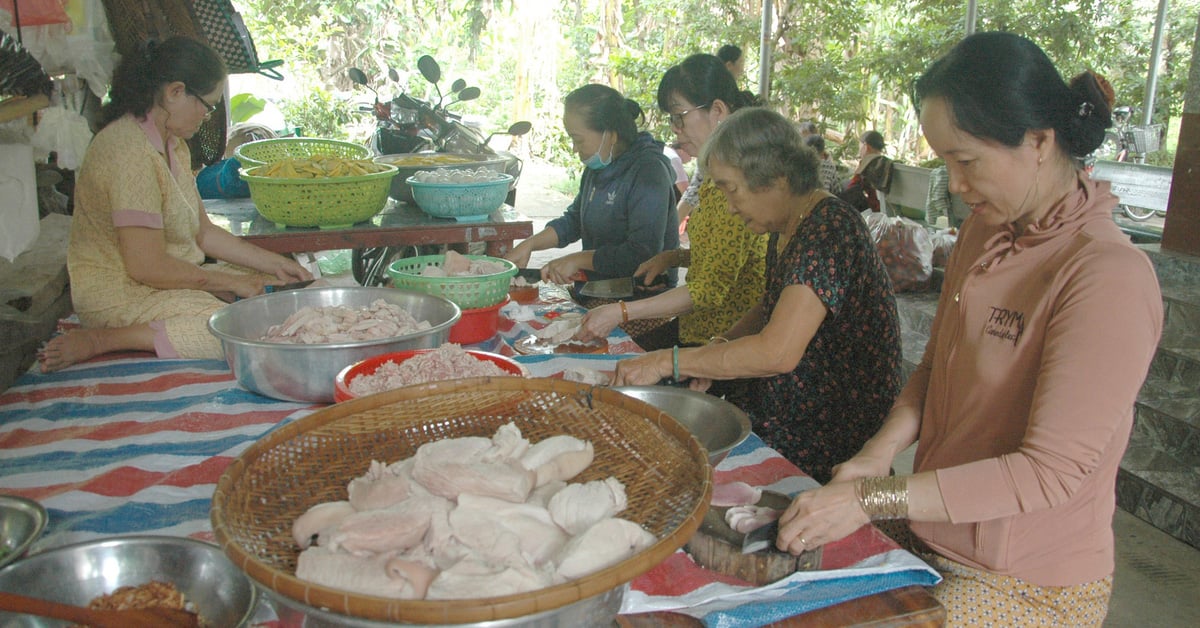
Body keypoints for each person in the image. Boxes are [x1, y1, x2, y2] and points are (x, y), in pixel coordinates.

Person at [774, 32, 1163, 625]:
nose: (954, 185)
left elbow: (1047, 472)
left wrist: (872, 499)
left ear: (1038, 140)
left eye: (966, 160)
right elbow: (935, 370)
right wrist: (874, 459)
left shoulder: (1106, 276)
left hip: (1025, 580)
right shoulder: (986, 231)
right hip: (937, 533)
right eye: (944, 161)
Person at [612, 108, 903, 483]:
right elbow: (771, 303)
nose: (731, 207)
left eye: (732, 190)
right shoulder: (786, 226)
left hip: (830, 431)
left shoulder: (829, 230)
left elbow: (777, 352)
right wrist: (718, 348)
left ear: (776, 179)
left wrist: (670, 362)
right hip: (787, 403)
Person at [39, 37, 312, 372]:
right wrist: (230, 283)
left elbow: (204, 235)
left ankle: (217, 297)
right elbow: (146, 267)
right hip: (122, 292)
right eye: (208, 106)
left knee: (280, 293)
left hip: (165, 277)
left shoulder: (174, 145)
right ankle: (104, 339)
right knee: (236, 333)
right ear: (175, 92)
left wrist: (272, 264)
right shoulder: (127, 152)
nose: (208, 116)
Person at [577, 54, 766, 355]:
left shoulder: (737, 184)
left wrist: (622, 312)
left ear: (717, 110)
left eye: (680, 116)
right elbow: (724, 257)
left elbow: (709, 290)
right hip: (698, 326)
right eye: (671, 119)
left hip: (723, 342)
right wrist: (674, 257)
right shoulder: (712, 174)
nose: (676, 129)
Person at [504, 84, 678, 288]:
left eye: (578, 139)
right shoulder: (598, 166)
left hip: (641, 299)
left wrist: (577, 260)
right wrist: (530, 244)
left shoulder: (649, 171)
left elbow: (641, 254)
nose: (574, 148)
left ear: (611, 135)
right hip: (600, 289)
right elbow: (575, 221)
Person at [839, 130, 894, 212]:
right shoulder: (887, 163)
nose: (859, 150)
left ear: (865, 146)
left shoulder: (867, 163)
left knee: (844, 184)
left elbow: (852, 188)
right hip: (889, 209)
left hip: (871, 210)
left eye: (860, 147)